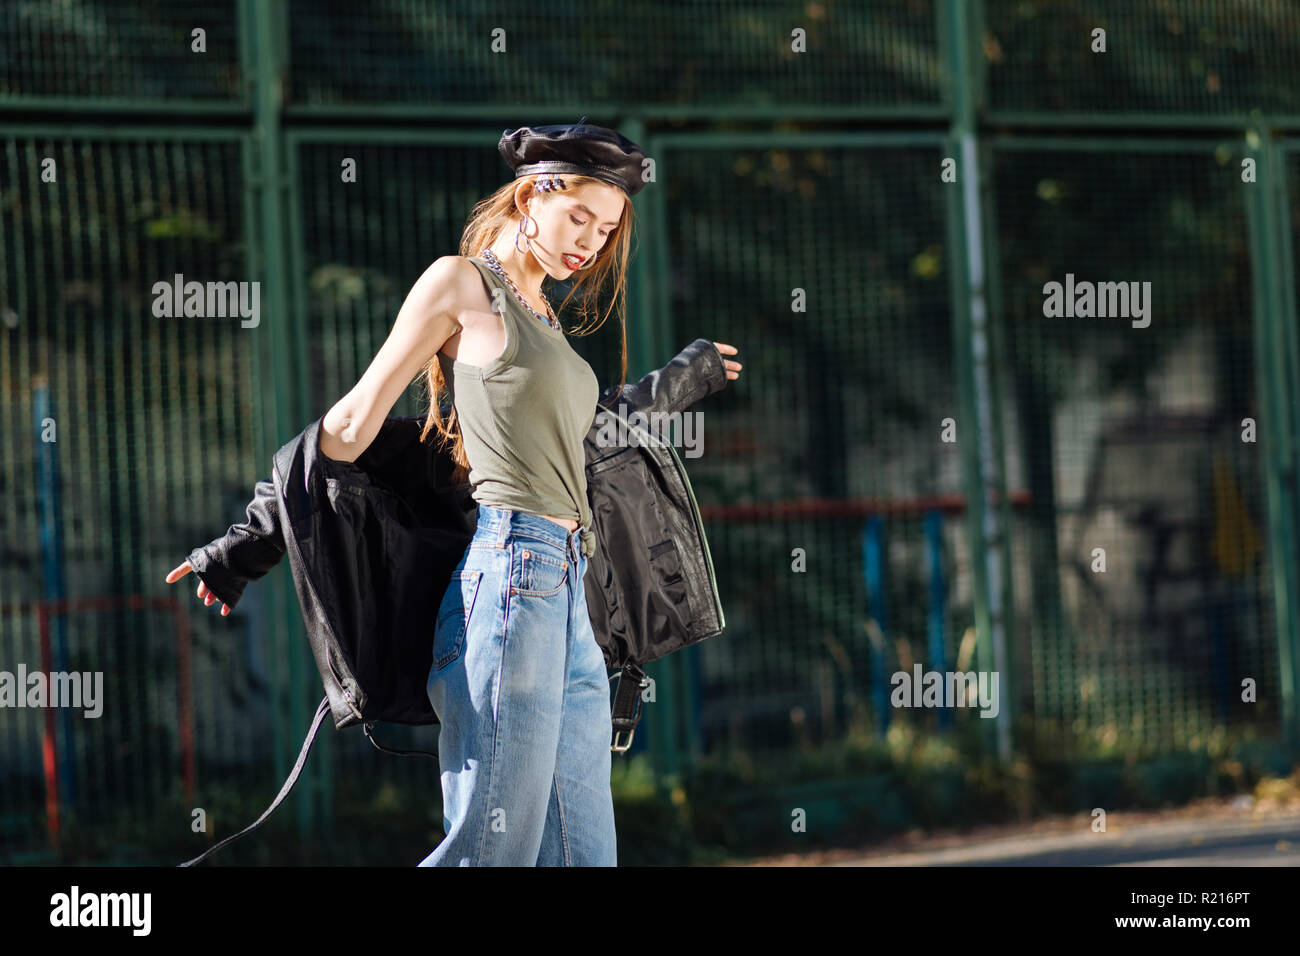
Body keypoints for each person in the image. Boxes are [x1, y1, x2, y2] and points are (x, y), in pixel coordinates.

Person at [166, 121, 741, 866]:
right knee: (490, 851)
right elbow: (351, 421)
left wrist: (669, 389)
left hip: (571, 593)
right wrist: (252, 537)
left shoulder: (543, 315)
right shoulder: (462, 284)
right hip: (514, 584)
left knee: (583, 856)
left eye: (605, 230)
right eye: (579, 217)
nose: (591, 244)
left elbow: (580, 443)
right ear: (534, 194)